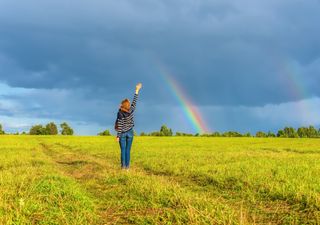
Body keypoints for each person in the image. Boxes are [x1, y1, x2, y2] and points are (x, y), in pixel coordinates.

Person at [115, 83, 142, 169]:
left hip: (122, 133)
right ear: (128, 105)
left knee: (123, 150)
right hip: (130, 132)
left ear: (122, 105)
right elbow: (134, 102)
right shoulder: (131, 110)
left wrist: (118, 136)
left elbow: (120, 125)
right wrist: (137, 91)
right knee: (128, 150)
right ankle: (127, 168)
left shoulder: (120, 113)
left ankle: (123, 167)